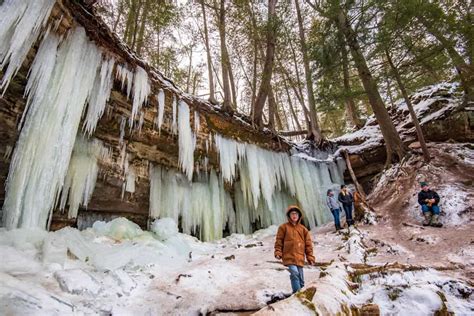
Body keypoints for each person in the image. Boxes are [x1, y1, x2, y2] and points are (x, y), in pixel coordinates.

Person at [274, 206, 315, 294]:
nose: (294, 216)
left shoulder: (303, 229)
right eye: (292, 214)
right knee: (294, 273)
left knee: (301, 278)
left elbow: (308, 245)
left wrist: (310, 257)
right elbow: (279, 241)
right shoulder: (283, 227)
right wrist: (278, 252)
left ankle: (302, 293)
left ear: (299, 216)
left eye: (296, 214)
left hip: (300, 256)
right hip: (288, 256)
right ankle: (297, 293)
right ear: (289, 216)